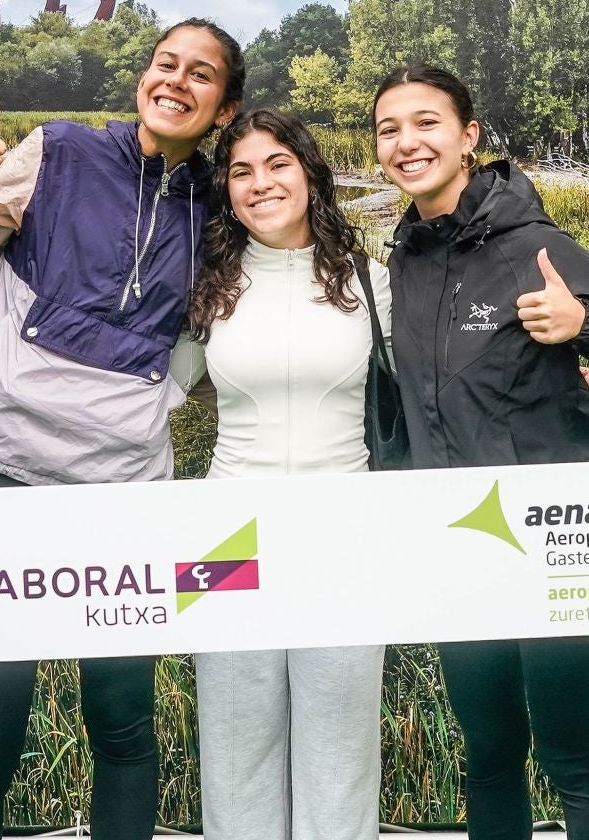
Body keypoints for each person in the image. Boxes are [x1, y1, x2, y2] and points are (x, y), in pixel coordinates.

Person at [0, 18, 244, 840]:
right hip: (0, 466)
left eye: (199, 74)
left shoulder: (221, 207)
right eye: (164, 64)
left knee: (125, 728)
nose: (176, 81)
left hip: (125, 492)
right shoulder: (54, 151)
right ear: (142, 77)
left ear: (225, 108)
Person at [371, 64, 589, 840]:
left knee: (571, 751)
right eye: (389, 128)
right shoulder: (405, 257)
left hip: (559, 541)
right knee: (488, 750)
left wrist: (585, 323)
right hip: (458, 543)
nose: (407, 142)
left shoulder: (534, 245)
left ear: (468, 138)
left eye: (427, 123)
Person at [179, 107, 389, 840]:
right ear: (226, 191)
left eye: (277, 164)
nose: (260, 183)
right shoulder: (208, 286)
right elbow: (144, 394)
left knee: (342, 749)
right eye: (241, 171)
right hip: (223, 540)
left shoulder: (372, 281)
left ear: (309, 173)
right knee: (235, 750)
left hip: (348, 535)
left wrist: (560, 364)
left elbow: (445, 377)